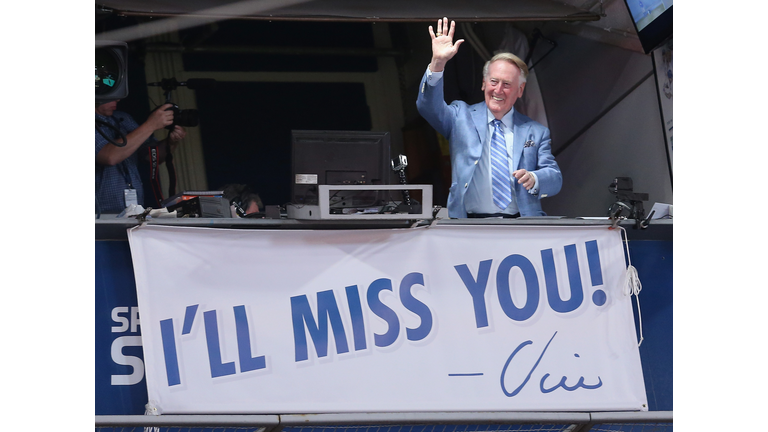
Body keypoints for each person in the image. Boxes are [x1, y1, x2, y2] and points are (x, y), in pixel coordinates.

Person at [416, 18, 562, 218]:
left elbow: (555, 179)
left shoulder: (535, 131)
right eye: (493, 81)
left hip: (523, 228)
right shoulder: (460, 116)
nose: (498, 90)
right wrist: (438, 63)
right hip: (471, 226)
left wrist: (534, 178)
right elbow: (428, 107)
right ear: (484, 84)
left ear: (520, 90)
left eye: (507, 84)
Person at [95, 100, 186, 214]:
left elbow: (151, 156)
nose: (117, 99)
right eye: (112, 95)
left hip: (134, 211)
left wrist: (171, 142)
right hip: (100, 216)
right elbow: (109, 156)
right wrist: (151, 125)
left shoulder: (123, 118)